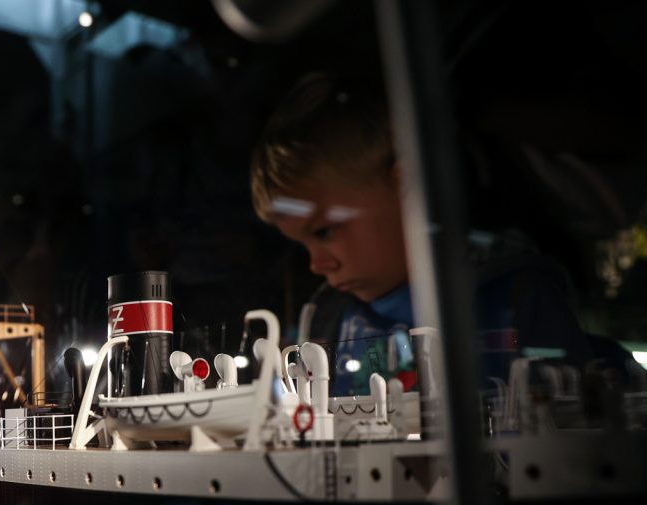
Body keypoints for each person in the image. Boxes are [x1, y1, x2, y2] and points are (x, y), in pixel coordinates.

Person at [249, 72, 601, 396]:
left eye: (324, 231)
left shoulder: (514, 298)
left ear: (407, 183)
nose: (316, 264)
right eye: (303, 245)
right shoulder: (329, 321)